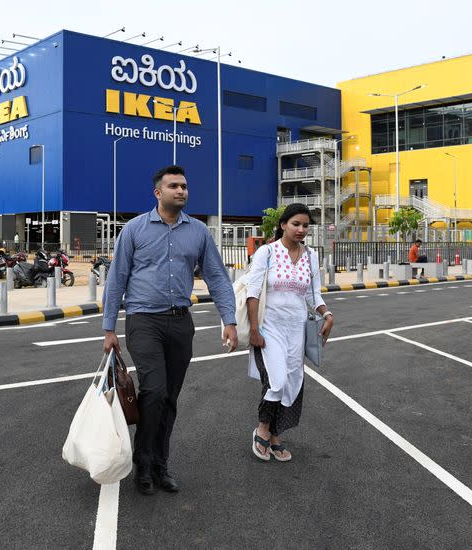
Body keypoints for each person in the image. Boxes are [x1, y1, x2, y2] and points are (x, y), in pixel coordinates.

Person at [102, 165, 238, 495]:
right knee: (155, 391)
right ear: (157, 192)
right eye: (174, 186)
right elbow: (117, 278)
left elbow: (217, 277)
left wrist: (229, 320)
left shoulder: (199, 233)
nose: (181, 191)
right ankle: (143, 464)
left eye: (185, 186)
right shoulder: (134, 230)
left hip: (180, 322)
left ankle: (161, 464)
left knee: (170, 398)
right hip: (143, 320)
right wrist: (109, 328)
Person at [245, 203, 333, 462]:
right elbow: (253, 292)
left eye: (305, 225)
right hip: (269, 327)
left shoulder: (310, 256)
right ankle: (261, 429)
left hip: (297, 329)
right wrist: (253, 330)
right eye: (296, 224)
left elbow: (313, 293)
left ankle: (275, 435)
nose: (301, 229)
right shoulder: (267, 252)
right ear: (283, 224)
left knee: (293, 384)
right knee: (277, 380)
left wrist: (326, 314)